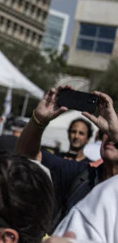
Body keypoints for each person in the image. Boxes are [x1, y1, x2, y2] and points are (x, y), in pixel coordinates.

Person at [16, 88, 118, 225]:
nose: (111, 136)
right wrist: (38, 121)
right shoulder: (82, 175)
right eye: (107, 130)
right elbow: (27, 154)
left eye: (114, 130)